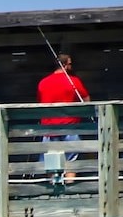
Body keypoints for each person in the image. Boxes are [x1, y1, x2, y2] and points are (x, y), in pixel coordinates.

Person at [38, 53, 91, 182]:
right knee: (71, 160)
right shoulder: (73, 81)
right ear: (66, 65)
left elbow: (41, 103)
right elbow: (86, 100)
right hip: (70, 126)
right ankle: (69, 185)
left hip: (49, 128)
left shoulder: (43, 83)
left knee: (51, 160)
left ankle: (52, 187)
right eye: (70, 64)